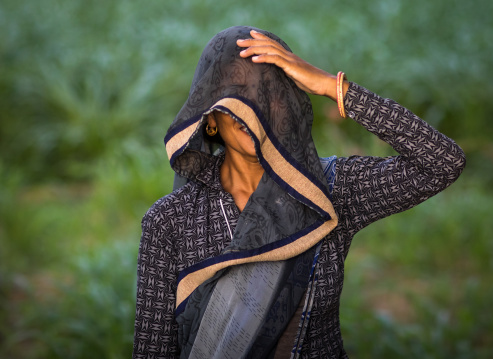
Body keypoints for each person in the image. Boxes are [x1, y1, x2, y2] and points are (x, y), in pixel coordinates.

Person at [132, 26, 465, 359]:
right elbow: (153, 350)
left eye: (271, 92)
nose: (256, 106)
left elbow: (442, 162)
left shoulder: (327, 191)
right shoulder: (170, 221)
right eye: (240, 92)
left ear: (287, 108)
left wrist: (335, 88)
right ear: (211, 120)